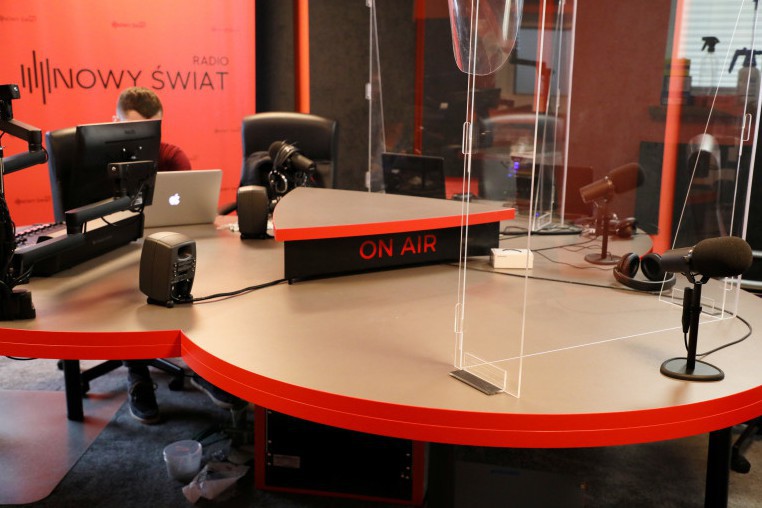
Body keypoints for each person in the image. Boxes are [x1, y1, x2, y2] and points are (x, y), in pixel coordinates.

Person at [115, 86, 245, 423]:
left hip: (164, 244)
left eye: (154, 128)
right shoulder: (100, 162)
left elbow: (191, 216)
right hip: (116, 250)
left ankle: (201, 369)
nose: (148, 137)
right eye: (138, 129)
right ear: (116, 123)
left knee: (194, 277)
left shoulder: (172, 157)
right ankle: (137, 374)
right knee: (125, 287)